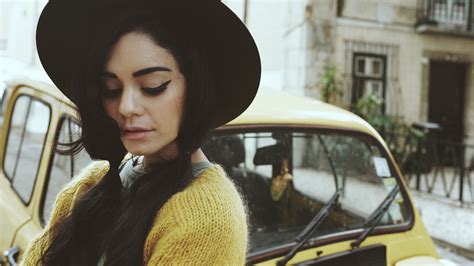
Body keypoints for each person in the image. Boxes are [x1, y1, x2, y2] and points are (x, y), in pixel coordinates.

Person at [19, 0, 260, 265]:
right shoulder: (91, 185)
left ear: (196, 89)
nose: (126, 107)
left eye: (152, 86)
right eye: (111, 89)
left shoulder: (207, 217)